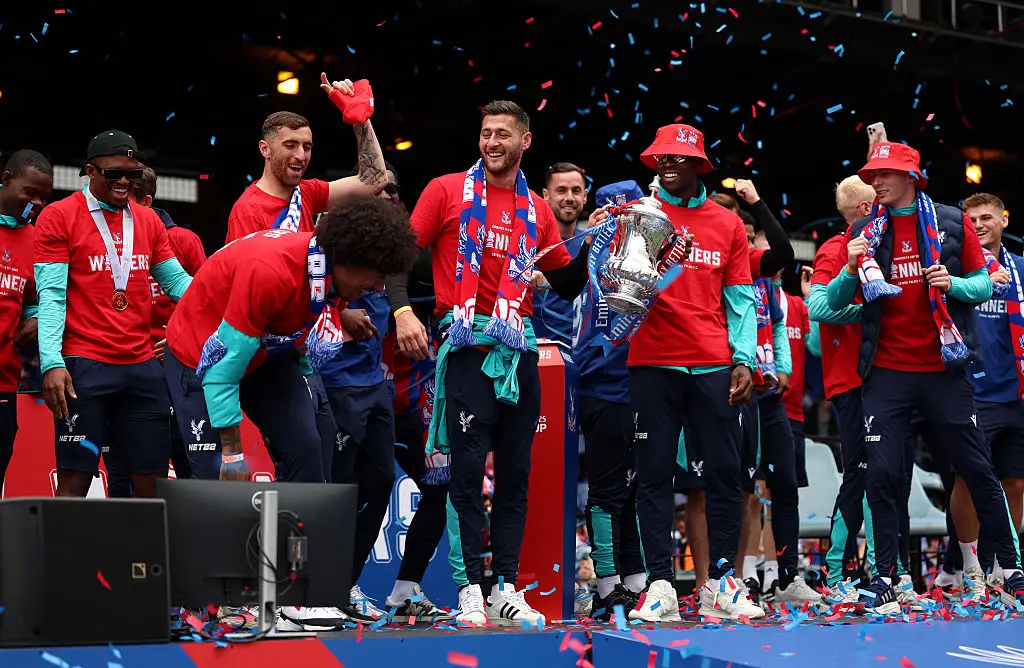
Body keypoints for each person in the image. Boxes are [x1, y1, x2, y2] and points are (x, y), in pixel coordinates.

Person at [163, 195, 418, 631]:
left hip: (265, 355)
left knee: (307, 447)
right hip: (201, 357)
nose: (379, 288)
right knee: (218, 475)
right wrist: (232, 452)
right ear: (347, 258)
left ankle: (296, 593)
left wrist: (335, 319)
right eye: (376, 276)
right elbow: (221, 372)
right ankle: (220, 601)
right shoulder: (271, 272)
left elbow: (303, 312)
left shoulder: (326, 270)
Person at [387, 100, 591, 627]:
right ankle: (469, 588)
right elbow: (397, 258)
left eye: (502, 134)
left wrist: (600, 241)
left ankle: (504, 586)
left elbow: (566, 285)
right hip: (468, 348)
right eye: (486, 133)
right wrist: (403, 311)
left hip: (518, 352)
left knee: (516, 478)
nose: (492, 142)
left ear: (525, 141)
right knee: (466, 476)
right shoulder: (446, 190)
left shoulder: (538, 209)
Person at [823, 141, 1024, 612]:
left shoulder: (951, 222)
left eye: (884, 174)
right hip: (886, 373)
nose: (875, 182)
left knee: (978, 470)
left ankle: (1012, 569)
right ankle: (886, 577)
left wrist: (954, 284)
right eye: (872, 175)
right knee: (882, 475)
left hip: (943, 372)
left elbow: (983, 284)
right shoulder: (864, 229)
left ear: (911, 177)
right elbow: (832, 303)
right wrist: (851, 268)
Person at [626, 124, 763, 622]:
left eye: (678, 158)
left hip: (712, 360)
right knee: (654, 475)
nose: (667, 164)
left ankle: (722, 583)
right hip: (652, 359)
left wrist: (744, 358)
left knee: (726, 474)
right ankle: (660, 585)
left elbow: (741, 297)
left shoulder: (726, 223)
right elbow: (618, 287)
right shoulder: (639, 215)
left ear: (700, 166)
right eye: (661, 157)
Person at [34, 130, 193, 499]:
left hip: (141, 366)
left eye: (132, 174)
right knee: (74, 480)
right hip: (84, 365)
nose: (124, 182)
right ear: (90, 171)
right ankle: (65, 543)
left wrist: (224, 303)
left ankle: (144, 542)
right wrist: (51, 362)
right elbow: (52, 296)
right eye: (113, 174)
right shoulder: (59, 216)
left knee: (153, 483)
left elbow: (177, 283)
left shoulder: (149, 221)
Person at [807, 174, 921, 609]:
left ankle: (891, 573)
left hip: (887, 379)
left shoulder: (887, 245)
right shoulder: (835, 250)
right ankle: (841, 576)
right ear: (866, 209)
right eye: (880, 200)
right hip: (853, 382)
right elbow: (819, 308)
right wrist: (874, 313)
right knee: (862, 474)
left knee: (891, 477)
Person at [105, 165, 208, 497]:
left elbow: (206, 301)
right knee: (123, 470)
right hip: (129, 367)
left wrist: (177, 340)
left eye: (128, 199)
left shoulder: (184, 241)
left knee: (186, 460)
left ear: (146, 202)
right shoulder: (110, 240)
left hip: (176, 369)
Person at [573, 180, 648, 619]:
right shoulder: (591, 255)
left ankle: (635, 581)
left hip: (641, 386)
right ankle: (607, 586)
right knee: (607, 490)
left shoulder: (648, 257)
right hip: (603, 385)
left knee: (636, 488)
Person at [226, 75, 388, 242]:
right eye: (290, 145)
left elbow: (375, 179)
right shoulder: (247, 211)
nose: (301, 156)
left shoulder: (307, 192)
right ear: (265, 149)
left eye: (307, 147)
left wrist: (360, 118)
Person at [961, 193, 1024, 588]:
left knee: (1015, 483)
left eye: (986, 217)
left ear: (1004, 220)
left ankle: (1004, 562)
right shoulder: (955, 268)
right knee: (968, 482)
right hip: (970, 393)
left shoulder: (1021, 270)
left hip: (1015, 395)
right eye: (971, 220)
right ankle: (968, 567)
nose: (979, 225)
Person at [0, 150, 52, 489]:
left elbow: (33, 298)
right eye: (30, 192)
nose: (36, 203)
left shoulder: (36, 242)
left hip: (4, 382)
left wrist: (36, 318)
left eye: (43, 198)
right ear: (6, 180)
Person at [532, 163, 589, 345]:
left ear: (585, 196)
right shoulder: (526, 242)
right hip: (536, 350)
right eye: (561, 190)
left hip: (584, 354)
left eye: (576, 191)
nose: (569, 198)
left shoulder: (596, 247)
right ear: (546, 195)